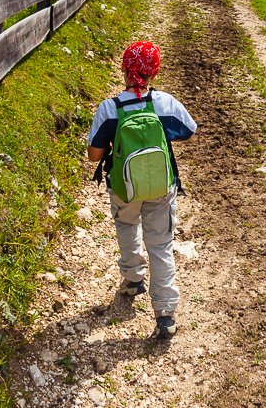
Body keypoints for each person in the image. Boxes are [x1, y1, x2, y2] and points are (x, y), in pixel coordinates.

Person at [87, 40, 196, 340]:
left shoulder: (109, 109)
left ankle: (133, 279)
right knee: (160, 244)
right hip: (161, 185)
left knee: (126, 226)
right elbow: (189, 129)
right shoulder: (164, 103)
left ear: (124, 69)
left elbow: (94, 156)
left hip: (124, 186)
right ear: (154, 73)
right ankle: (165, 315)